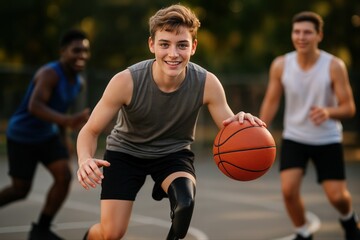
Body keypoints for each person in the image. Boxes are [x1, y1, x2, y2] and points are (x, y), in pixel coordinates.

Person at [76, 4, 265, 240]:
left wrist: (241, 122)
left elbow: (228, 125)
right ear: (152, 45)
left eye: (182, 45)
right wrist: (84, 160)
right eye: (164, 44)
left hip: (172, 154)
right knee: (111, 233)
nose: (173, 54)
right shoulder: (126, 81)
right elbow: (91, 130)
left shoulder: (206, 83)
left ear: (193, 47)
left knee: (185, 203)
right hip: (125, 153)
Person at [260, 11, 360, 240]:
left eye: (307, 32)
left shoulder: (334, 66)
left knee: (337, 197)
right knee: (288, 191)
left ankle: (348, 218)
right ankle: (304, 231)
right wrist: (260, 129)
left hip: (327, 138)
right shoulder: (281, 65)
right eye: (297, 32)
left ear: (319, 35)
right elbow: (271, 101)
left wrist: (329, 111)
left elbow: (349, 108)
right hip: (294, 136)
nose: (301, 37)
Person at [0, 29, 91, 240]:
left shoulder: (78, 82)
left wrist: (63, 137)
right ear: (63, 52)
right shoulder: (49, 73)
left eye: (86, 51)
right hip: (22, 135)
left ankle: (41, 229)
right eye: (76, 50)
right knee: (20, 189)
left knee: (64, 176)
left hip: (47, 135)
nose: (82, 56)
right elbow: (35, 106)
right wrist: (67, 121)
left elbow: (59, 111)